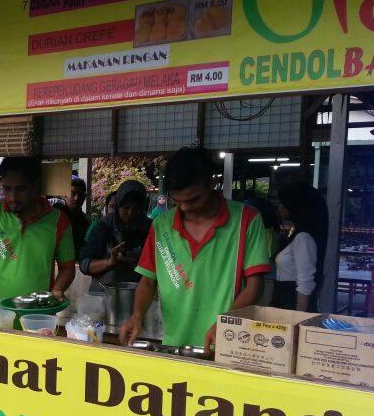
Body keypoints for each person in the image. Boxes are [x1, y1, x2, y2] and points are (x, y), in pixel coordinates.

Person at [119, 147, 270, 352]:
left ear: (212, 183)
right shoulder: (161, 225)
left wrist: (225, 323)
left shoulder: (247, 221)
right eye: (177, 200)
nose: (184, 208)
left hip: (226, 345)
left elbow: (255, 286)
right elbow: (148, 280)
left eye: (193, 199)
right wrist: (137, 316)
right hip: (173, 343)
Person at [0, 157, 75, 306]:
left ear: (35, 186)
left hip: (38, 315)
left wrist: (57, 290)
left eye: (21, 189)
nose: (12, 197)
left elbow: (67, 268)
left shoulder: (58, 220)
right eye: (7, 189)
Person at [79, 180, 151, 289]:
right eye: (126, 207)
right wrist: (110, 262)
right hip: (103, 294)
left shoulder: (150, 228)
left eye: (136, 208)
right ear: (118, 205)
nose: (130, 213)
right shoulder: (103, 227)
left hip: (137, 294)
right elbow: (84, 265)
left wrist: (140, 260)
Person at [271, 182, 327, 312]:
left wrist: (297, 320)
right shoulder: (297, 234)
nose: (279, 208)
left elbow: (305, 283)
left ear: (295, 206)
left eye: (283, 204)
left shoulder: (303, 238)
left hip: (291, 303)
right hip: (284, 301)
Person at [67, 177, 91, 256]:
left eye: (80, 195)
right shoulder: (55, 217)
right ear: (65, 195)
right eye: (73, 194)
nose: (76, 198)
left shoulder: (86, 222)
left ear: (84, 197)